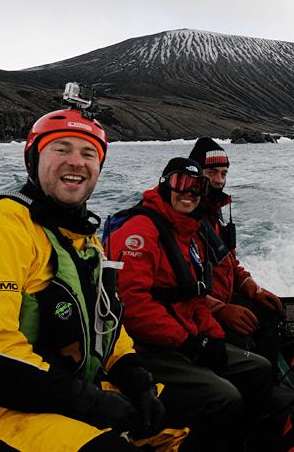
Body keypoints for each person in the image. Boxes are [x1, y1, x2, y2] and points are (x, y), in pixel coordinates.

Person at [0, 105, 169, 451]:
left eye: (89, 153)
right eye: (61, 149)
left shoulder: (82, 239)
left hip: (58, 391)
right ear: (32, 160)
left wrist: (136, 379)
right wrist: (89, 402)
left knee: (185, 416)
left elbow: (104, 323)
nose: (76, 162)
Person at [105, 157, 273, 451]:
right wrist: (190, 343)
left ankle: (246, 440)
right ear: (164, 183)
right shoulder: (141, 232)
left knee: (259, 368)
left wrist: (214, 338)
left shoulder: (187, 233)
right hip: (147, 347)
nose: (189, 193)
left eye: (197, 187)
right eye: (181, 183)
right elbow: (132, 306)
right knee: (224, 397)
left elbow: (194, 296)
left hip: (184, 334)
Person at [187, 138, 284, 376]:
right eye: (211, 172)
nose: (219, 180)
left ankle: (272, 385)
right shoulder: (183, 215)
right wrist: (219, 310)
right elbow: (178, 281)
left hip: (224, 299)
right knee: (244, 344)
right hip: (197, 310)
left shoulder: (213, 213)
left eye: (224, 173)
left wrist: (250, 286)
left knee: (271, 314)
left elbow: (227, 260)